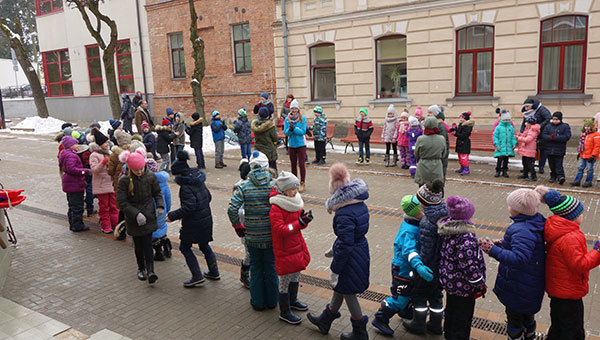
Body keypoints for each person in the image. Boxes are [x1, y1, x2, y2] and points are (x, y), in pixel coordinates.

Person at [307, 163, 370, 339]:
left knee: (348, 293)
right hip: (359, 250)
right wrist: (335, 248)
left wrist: (335, 268)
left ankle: (360, 331)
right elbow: (349, 237)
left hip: (350, 257)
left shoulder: (343, 213)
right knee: (341, 287)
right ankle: (325, 320)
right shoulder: (359, 204)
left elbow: (345, 243)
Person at [478, 187, 546, 340]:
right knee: (528, 316)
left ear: (518, 210)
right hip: (529, 285)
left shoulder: (521, 229)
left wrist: (492, 250)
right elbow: (529, 246)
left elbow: (519, 258)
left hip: (518, 286)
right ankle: (529, 335)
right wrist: (503, 244)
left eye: (511, 206)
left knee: (515, 319)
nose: (509, 208)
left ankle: (516, 336)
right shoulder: (534, 222)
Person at [536, 187, 600, 339]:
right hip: (569, 292)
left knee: (558, 325)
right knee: (573, 330)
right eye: (580, 213)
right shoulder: (571, 237)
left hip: (558, 290)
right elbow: (579, 265)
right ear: (571, 216)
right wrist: (597, 253)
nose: (583, 216)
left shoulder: (555, 228)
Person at [371, 195, 431, 336]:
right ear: (415, 211)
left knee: (409, 292)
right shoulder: (409, 230)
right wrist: (419, 266)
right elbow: (409, 251)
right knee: (400, 297)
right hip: (403, 269)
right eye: (421, 209)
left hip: (409, 268)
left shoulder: (415, 223)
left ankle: (405, 311)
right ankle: (381, 317)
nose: (424, 211)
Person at [227, 151, 278, 310]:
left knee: (255, 268)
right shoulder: (275, 184)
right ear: (265, 166)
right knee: (271, 268)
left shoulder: (243, 186)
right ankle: (272, 301)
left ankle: (257, 302)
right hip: (271, 235)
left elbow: (231, 209)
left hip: (252, 235)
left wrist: (238, 227)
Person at [166, 151, 219, 286]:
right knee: (204, 245)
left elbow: (189, 207)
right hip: (206, 219)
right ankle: (214, 271)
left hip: (193, 223)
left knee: (185, 247)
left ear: (179, 174)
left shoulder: (185, 187)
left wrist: (172, 216)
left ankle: (197, 276)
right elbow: (208, 197)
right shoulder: (198, 180)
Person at [438, 196, 486, 340]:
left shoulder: (447, 227)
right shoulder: (466, 236)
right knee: (463, 318)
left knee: (451, 310)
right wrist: (478, 283)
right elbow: (468, 264)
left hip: (450, 280)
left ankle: (449, 334)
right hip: (464, 286)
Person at [403, 179, 446, 335]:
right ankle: (436, 324)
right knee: (436, 296)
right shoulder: (444, 213)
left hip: (428, 267)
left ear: (424, 202)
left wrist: (420, 267)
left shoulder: (428, 222)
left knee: (419, 295)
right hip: (442, 267)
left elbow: (427, 249)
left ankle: (418, 323)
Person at [116, 149, 165, 284]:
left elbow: (157, 193)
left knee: (148, 244)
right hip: (134, 218)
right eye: (136, 170)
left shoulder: (150, 176)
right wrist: (136, 214)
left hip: (148, 215)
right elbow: (121, 202)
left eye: (141, 169)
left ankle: (151, 271)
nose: (139, 172)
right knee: (138, 245)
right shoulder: (124, 180)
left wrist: (160, 206)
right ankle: (141, 268)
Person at [269, 171, 312, 324]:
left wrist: (304, 220)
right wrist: (299, 223)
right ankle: (284, 311)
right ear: (285, 190)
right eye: (293, 189)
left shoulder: (295, 201)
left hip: (296, 244)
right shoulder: (277, 206)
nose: (296, 191)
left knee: (296, 274)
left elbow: (300, 225)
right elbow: (279, 230)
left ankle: (293, 300)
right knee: (285, 280)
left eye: (296, 188)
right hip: (285, 248)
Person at [89, 129, 119, 234]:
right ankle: (105, 225)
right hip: (101, 185)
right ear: (100, 144)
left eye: (107, 142)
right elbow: (94, 170)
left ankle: (115, 223)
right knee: (104, 207)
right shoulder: (94, 155)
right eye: (105, 143)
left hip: (111, 184)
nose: (107, 144)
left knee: (114, 206)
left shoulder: (109, 153)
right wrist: (103, 162)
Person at [59, 136, 90, 232]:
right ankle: (77, 225)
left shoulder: (65, 153)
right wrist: (85, 171)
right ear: (70, 146)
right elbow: (71, 169)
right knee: (77, 206)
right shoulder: (71, 155)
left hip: (70, 184)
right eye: (76, 144)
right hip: (74, 184)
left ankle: (73, 224)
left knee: (72, 205)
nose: (78, 146)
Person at [145, 159, 172, 262]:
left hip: (151, 210)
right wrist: (168, 208)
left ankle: (158, 252)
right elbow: (168, 196)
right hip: (162, 209)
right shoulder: (163, 181)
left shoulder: (148, 181)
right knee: (161, 227)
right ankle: (167, 247)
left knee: (153, 230)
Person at [234, 159, 252, 288]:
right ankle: (244, 273)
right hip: (245, 228)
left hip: (255, 228)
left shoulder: (251, 186)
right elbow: (237, 211)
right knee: (249, 254)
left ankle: (252, 273)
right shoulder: (240, 189)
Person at [521, 98, 552, 174]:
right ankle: (528, 167)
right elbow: (524, 122)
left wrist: (539, 126)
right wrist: (522, 132)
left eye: (527, 106)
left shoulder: (541, 110)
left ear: (532, 106)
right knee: (529, 151)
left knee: (542, 151)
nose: (526, 108)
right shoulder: (527, 112)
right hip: (531, 132)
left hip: (541, 133)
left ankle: (541, 167)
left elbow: (548, 118)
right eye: (525, 107)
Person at [414, 116, 446, 187]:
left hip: (423, 165)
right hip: (437, 166)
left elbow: (416, 154)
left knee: (422, 190)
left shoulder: (421, 139)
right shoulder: (441, 139)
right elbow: (444, 154)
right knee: (437, 189)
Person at [541, 112, 571, 184]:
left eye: (556, 119)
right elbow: (544, 135)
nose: (554, 121)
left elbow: (566, 136)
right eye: (553, 119)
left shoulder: (565, 126)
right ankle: (553, 176)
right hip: (549, 149)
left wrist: (556, 138)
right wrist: (550, 138)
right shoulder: (548, 126)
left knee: (559, 164)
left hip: (559, 149)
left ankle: (560, 176)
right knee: (551, 164)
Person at [284, 99, 307, 192]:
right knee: (293, 165)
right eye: (292, 108)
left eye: (295, 108)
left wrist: (294, 129)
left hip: (301, 144)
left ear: (298, 109)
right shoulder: (287, 119)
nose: (294, 110)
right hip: (291, 145)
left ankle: (302, 182)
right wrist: (290, 129)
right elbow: (286, 133)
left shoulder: (302, 118)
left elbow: (303, 132)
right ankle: (294, 183)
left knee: (301, 164)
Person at [571, 119, 600, 187]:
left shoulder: (596, 135)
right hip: (583, 155)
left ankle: (588, 181)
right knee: (580, 168)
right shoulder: (584, 134)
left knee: (589, 169)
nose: (586, 128)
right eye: (585, 126)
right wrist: (579, 153)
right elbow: (582, 145)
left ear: (592, 127)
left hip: (590, 156)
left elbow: (597, 146)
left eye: (588, 126)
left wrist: (593, 155)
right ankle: (577, 180)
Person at [252, 107, 279, 171]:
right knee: (272, 170)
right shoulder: (270, 126)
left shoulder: (255, 125)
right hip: (269, 151)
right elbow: (275, 138)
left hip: (258, 150)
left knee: (260, 170)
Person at [493, 108, 517, 178]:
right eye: (505, 120)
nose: (507, 121)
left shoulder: (511, 127)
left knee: (506, 160)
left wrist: (514, 143)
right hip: (500, 146)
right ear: (502, 119)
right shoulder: (498, 127)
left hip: (508, 147)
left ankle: (504, 171)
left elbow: (513, 136)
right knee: (499, 160)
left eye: (508, 119)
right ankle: (498, 171)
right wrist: (496, 144)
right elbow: (495, 136)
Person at [428, 105, 450, 177]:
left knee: (439, 177)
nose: (428, 114)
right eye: (428, 112)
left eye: (430, 112)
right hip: (433, 156)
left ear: (436, 114)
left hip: (439, 157)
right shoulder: (432, 124)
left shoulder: (440, 126)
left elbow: (443, 143)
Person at [517, 116, 540, 182]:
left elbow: (528, 139)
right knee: (524, 162)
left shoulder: (533, 130)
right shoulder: (528, 129)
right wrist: (520, 135)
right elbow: (525, 136)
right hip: (525, 149)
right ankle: (525, 174)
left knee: (530, 164)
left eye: (527, 122)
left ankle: (533, 176)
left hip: (529, 149)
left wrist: (518, 138)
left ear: (530, 123)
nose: (525, 124)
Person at [450, 112, 474, 176]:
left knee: (464, 158)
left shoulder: (467, 126)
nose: (460, 119)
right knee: (460, 157)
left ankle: (466, 169)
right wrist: (454, 128)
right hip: (460, 144)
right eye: (460, 117)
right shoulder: (461, 125)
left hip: (464, 144)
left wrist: (455, 134)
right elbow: (458, 132)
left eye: (462, 118)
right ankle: (462, 167)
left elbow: (463, 136)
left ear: (465, 119)